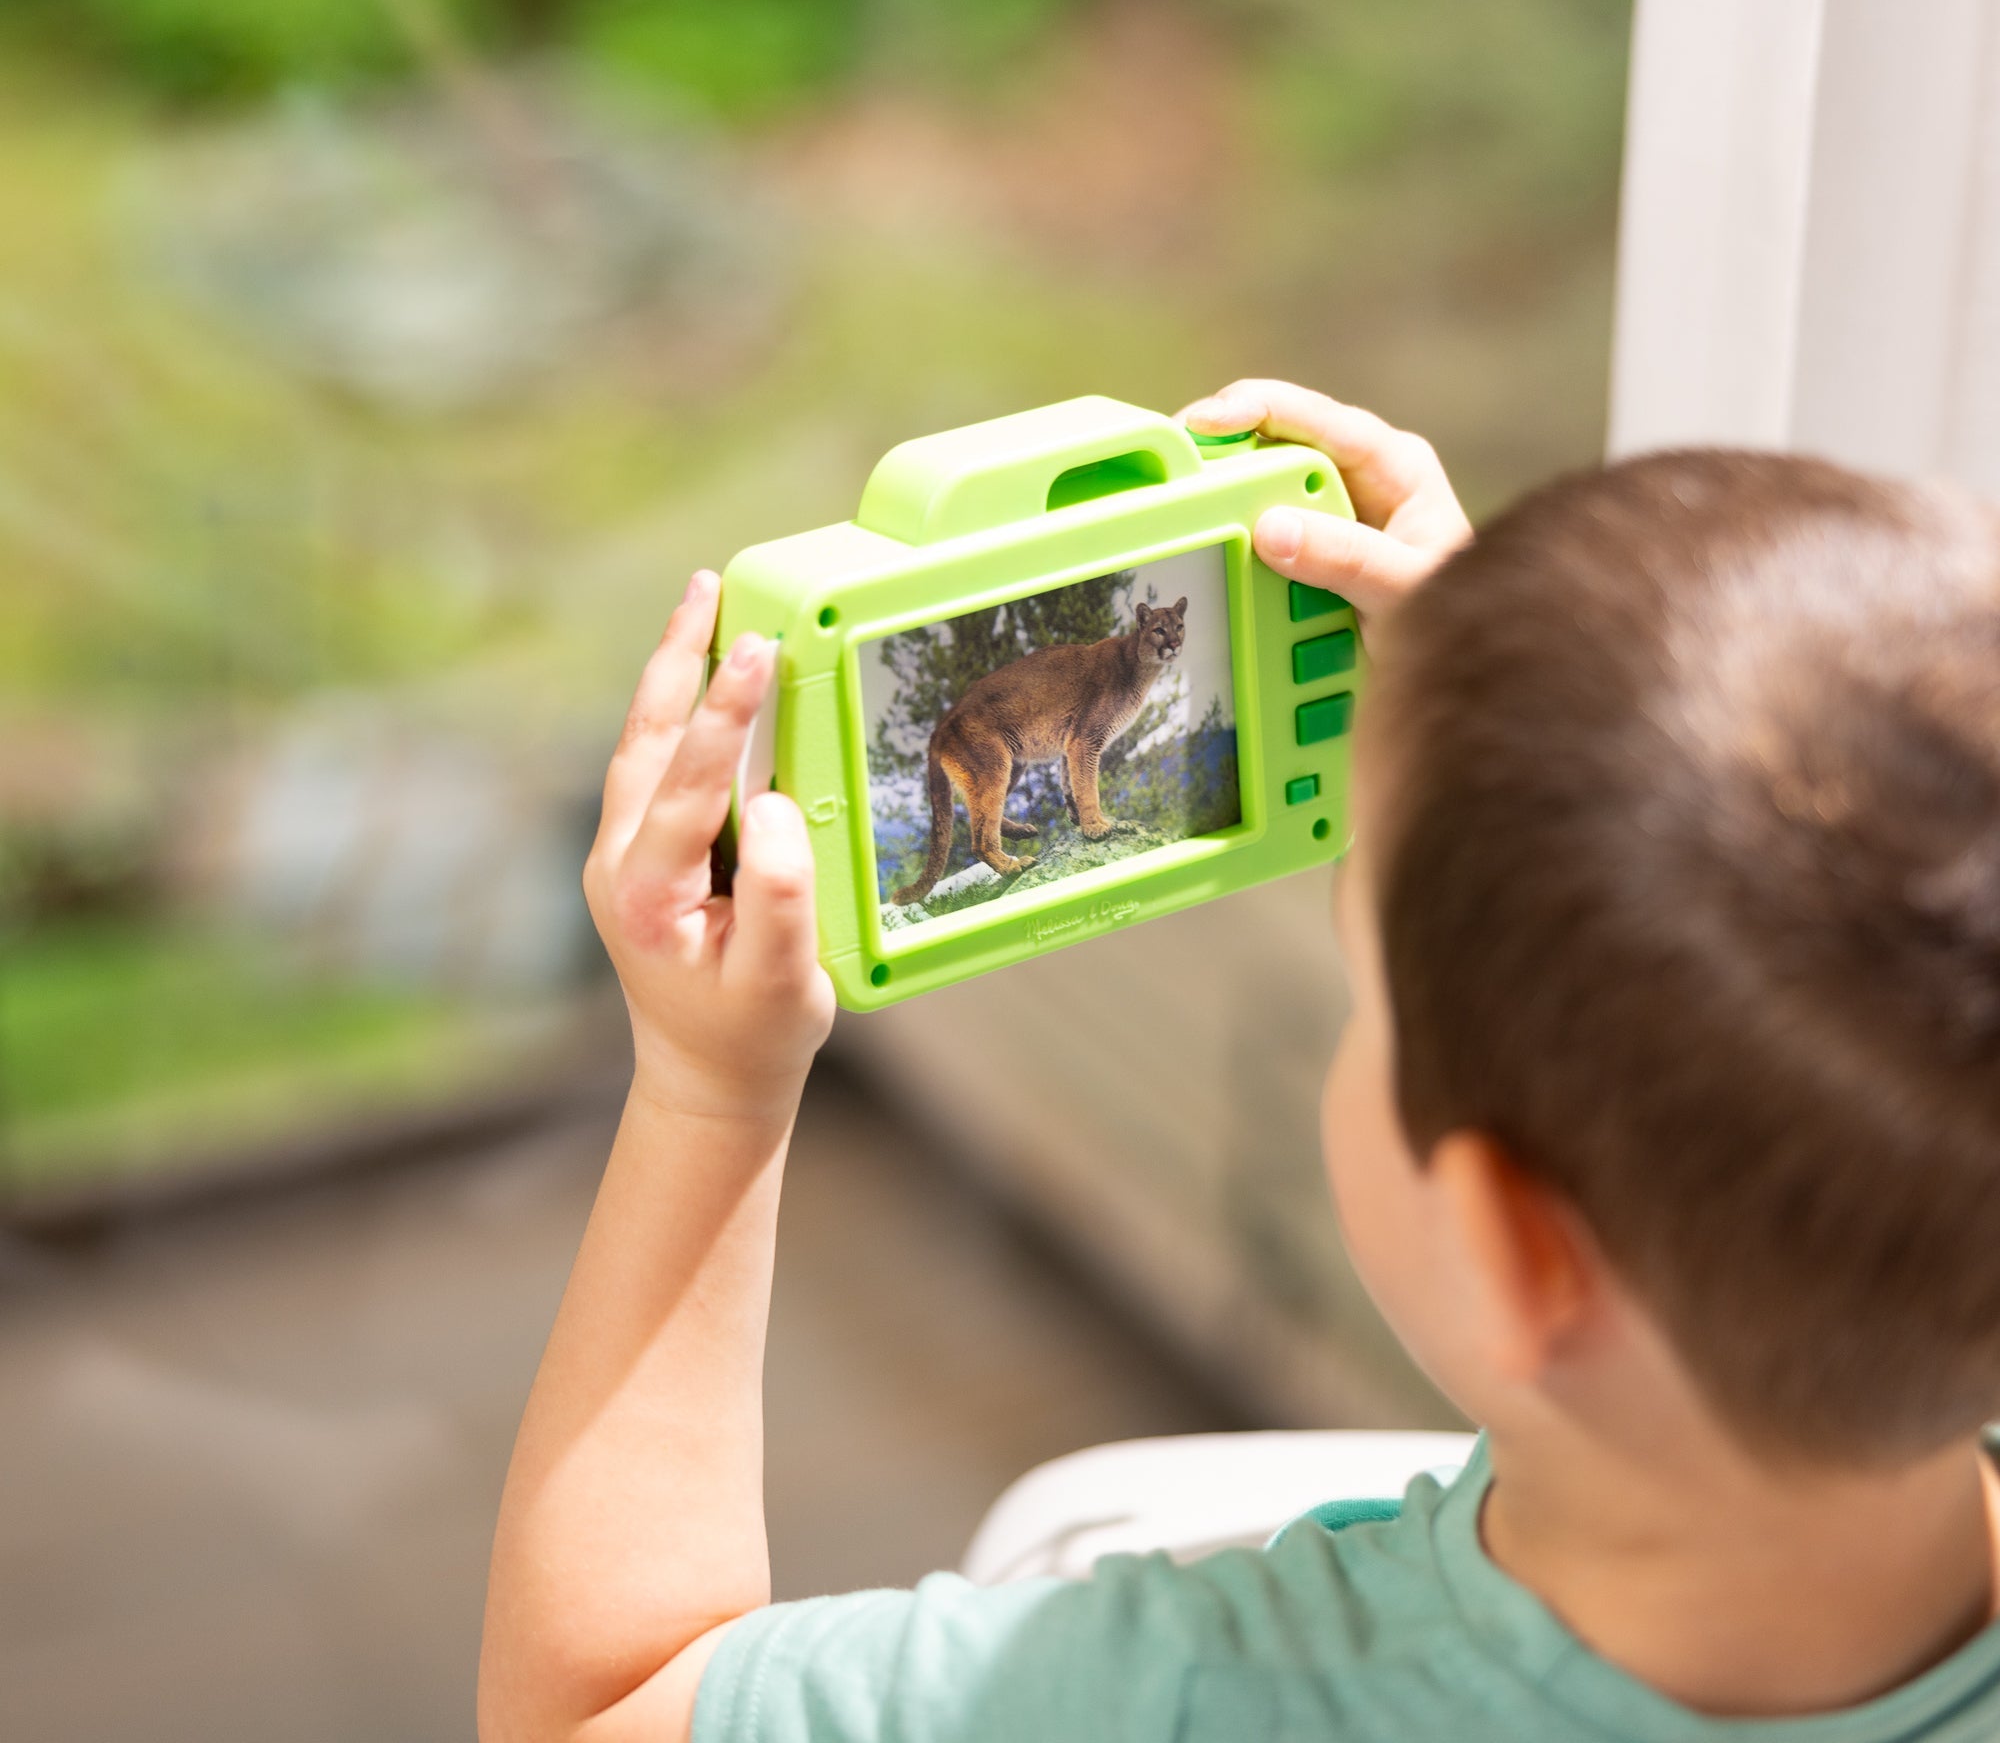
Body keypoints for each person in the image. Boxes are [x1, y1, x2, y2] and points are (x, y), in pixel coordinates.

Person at [478, 378, 2000, 1743]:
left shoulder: (1192, 1697)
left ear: (1513, 1249)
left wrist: (708, 1092)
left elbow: (590, 1711)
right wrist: (1493, 737)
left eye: (1382, 996)